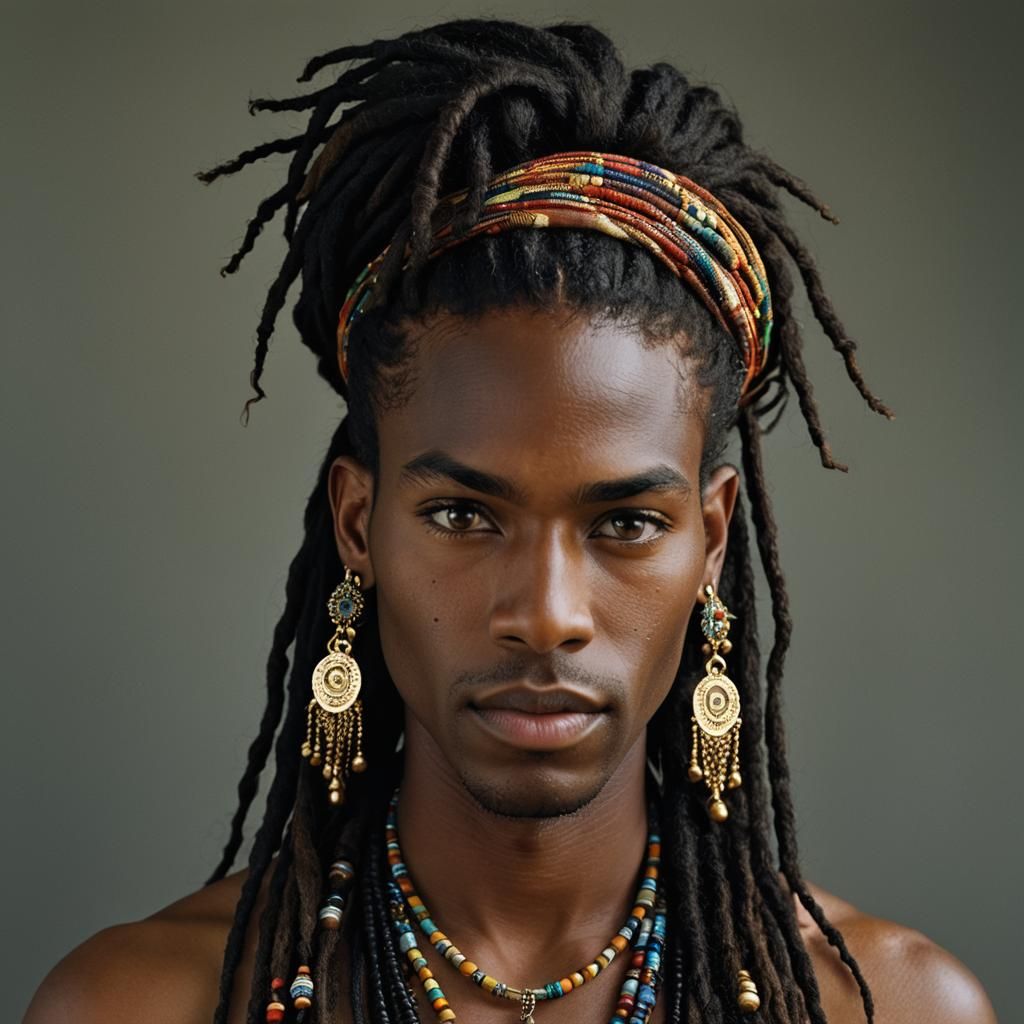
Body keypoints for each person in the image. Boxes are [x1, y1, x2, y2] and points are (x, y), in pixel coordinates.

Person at [25, 18, 996, 1024]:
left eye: (624, 524)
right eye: (461, 513)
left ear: (710, 537)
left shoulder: (887, 1005)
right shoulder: (143, 1003)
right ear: (359, 526)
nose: (545, 614)